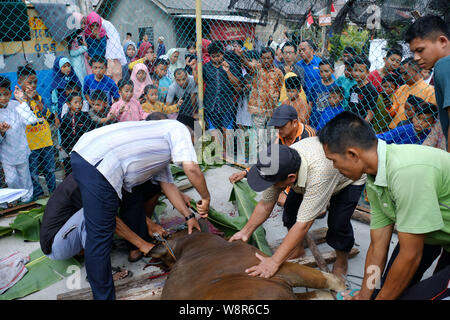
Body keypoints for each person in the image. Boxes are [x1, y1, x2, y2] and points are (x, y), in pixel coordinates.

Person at [70, 119, 211, 299]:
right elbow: (191, 168)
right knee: (100, 235)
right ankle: (104, 297)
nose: (191, 149)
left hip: (89, 150)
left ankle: (134, 248)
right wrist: (205, 197)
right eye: (193, 145)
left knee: (123, 207)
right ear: (191, 136)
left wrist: (189, 216)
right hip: (98, 161)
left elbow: (167, 185)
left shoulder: (161, 145)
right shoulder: (179, 130)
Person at [318, 111, 450, 300]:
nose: (334, 167)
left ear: (352, 154)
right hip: (435, 233)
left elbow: (410, 255)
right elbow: (377, 247)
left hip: (433, 235)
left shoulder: (406, 172)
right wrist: (364, 294)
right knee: (381, 290)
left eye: (333, 160)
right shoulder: (375, 178)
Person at [228, 139, 366, 281]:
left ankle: (342, 262)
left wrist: (274, 261)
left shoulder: (319, 175)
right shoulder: (280, 165)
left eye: (273, 183)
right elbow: (265, 204)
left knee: (338, 224)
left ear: (291, 178)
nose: (272, 186)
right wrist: (245, 232)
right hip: (310, 175)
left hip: (348, 179)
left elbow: (304, 224)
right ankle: (297, 249)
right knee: (290, 211)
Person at [39, 173, 170, 279]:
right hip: (56, 246)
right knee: (93, 212)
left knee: (102, 208)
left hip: (69, 235)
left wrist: (149, 224)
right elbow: (109, 217)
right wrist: (143, 245)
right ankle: (98, 274)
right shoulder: (82, 184)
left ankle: (84, 249)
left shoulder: (94, 175)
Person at [229, 104, 316, 207]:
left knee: (283, 200)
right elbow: (268, 161)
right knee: (272, 196)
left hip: (308, 176)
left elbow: (303, 170)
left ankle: (315, 202)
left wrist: (286, 191)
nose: (278, 129)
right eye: (276, 126)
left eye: (281, 125)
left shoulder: (307, 137)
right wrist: (245, 172)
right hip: (291, 173)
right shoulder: (279, 136)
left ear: (294, 123)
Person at [405, 15, 450, 152]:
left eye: (420, 50)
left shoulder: (443, 65)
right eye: (413, 53)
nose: (416, 58)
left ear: (442, 41)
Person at [17, 65, 58, 200]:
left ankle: (54, 193)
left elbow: (44, 113)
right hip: (31, 143)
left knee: (50, 170)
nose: (33, 85)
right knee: (33, 172)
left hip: (45, 139)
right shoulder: (18, 101)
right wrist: (28, 99)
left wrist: (35, 99)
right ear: (20, 82)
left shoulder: (38, 97)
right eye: (29, 82)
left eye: (35, 82)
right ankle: (39, 195)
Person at [0, 77, 37, 203]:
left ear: (10, 93)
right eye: (0, 95)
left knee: (24, 178)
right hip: (6, 154)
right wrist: (1, 131)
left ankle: (27, 200)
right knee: (11, 179)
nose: (3, 98)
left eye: (6, 94)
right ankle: (14, 200)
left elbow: (31, 120)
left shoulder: (16, 105)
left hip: (21, 150)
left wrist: (21, 101)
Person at [239, 46, 284, 129]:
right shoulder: (257, 68)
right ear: (260, 59)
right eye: (263, 58)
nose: (266, 61)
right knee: (258, 137)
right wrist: (242, 56)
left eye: (268, 58)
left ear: (273, 58)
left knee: (270, 136)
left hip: (272, 110)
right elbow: (248, 66)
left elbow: (281, 89)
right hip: (258, 110)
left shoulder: (278, 73)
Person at [387, 58, 437, 129]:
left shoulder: (430, 91)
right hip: (393, 130)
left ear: (416, 71)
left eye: (405, 73)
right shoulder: (401, 89)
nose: (402, 77)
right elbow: (392, 112)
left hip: (413, 133)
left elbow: (430, 119)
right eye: (401, 73)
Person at [203, 41, 241, 130]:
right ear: (210, 56)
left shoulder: (231, 65)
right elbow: (199, 82)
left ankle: (227, 143)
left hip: (226, 104)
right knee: (212, 130)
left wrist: (227, 71)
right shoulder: (206, 67)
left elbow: (237, 83)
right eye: (213, 56)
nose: (216, 58)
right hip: (211, 105)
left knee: (228, 130)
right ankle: (214, 144)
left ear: (223, 54)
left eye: (218, 56)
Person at [59, 92, 95, 174]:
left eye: (80, 102)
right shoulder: (66, 118)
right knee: (69, 170)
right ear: (68, 104)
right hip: (69, 148)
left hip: (83, 148)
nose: (79, 105)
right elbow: (62, 133)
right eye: (75, 102)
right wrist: (65, 147)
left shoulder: (85, 116)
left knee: (84, 169)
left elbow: (88, 130)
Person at [307, 58, 338, 129]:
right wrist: (308, 118)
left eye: (326, 71)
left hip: (329, 122)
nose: (324, 74)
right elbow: (310, 104)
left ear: (332, 71)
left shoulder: (336, 87)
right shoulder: (315, 85)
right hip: (314, 121)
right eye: (321, 71)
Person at [347, 55, 378, 122]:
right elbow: (350, 108)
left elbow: (370, 114)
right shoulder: (353, 88)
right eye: (355, 70)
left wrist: (360, 126)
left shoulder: (371, 90)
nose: (357, 74)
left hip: (362, 125)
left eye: (361, 71)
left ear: (367, 73)